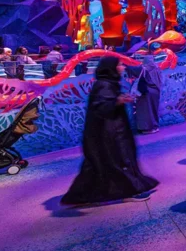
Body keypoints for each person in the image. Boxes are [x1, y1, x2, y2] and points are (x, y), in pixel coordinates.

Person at [62, 56, 158, 206]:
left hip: (107, 131)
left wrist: (120, 99)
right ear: (111, 68)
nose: (123, 68)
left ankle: (81, 196)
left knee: (98, 165)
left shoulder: (108, 83)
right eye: (120, 65)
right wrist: (118, 101)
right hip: (108, 133)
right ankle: (128, 191)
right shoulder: (104, 85)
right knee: (117, 160)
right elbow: (101, 107)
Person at [129, 54, 164, 134]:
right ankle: (155, 126)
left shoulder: (144, 68)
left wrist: (123, 61)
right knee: (154, 110)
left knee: (146, 111)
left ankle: (148, 128)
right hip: (156, 91)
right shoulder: (157, 68)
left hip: (146, 92)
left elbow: (131, 69)